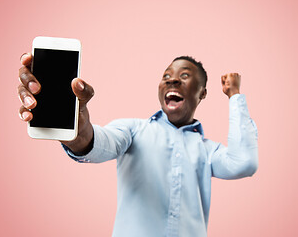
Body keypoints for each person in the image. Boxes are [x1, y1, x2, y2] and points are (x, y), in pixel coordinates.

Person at [18, 53, 258, 237]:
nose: (172, 79)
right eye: (166, 76)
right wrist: (76, 131)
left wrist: (235, 96)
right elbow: (96, 142)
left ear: (202, 93)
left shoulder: (208, 151)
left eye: (184, 75)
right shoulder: (132, 131)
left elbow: (244, 163)